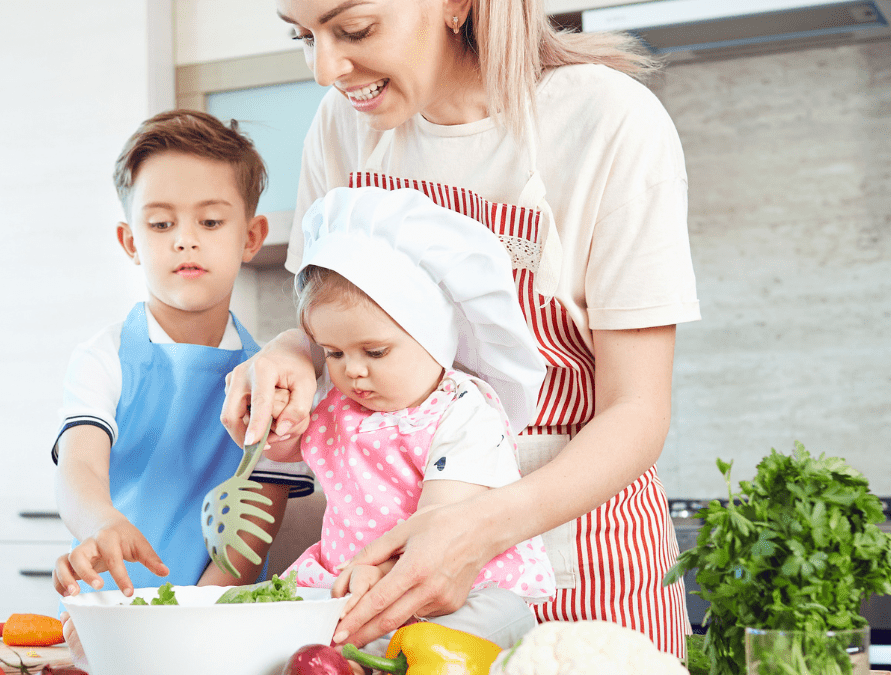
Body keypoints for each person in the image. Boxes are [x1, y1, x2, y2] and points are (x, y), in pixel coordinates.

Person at [221, 0, 701, 660]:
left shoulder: (609, 121)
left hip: (582, 548)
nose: (326, 68)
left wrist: (475, 528)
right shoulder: (342, 127)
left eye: (354, 30)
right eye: (304, 36)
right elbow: (325, 313)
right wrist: (292, 352)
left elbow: (638, 409)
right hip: (389, 559)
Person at [265, 186, 556, 655]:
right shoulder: (338, 406)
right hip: (352, 584)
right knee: (282, 636)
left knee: (490, 619)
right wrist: (277, 427)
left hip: (458, 587)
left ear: (433, 336)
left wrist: (383, 577)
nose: (352, 369)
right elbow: (288, 451)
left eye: (374, 352)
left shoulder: (462, 410)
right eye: (334, 352)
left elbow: (443, 515)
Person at [50, 109, 315, 603]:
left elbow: (252, 534)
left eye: (210, 221)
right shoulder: (102, 358)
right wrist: (101, 521)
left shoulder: (272, 383)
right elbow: (79, 469)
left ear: (251, 237)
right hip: (107, 611)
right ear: (131, 242)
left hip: (213, 616)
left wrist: (190, 617)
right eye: (160, 223)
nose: (184, 238)